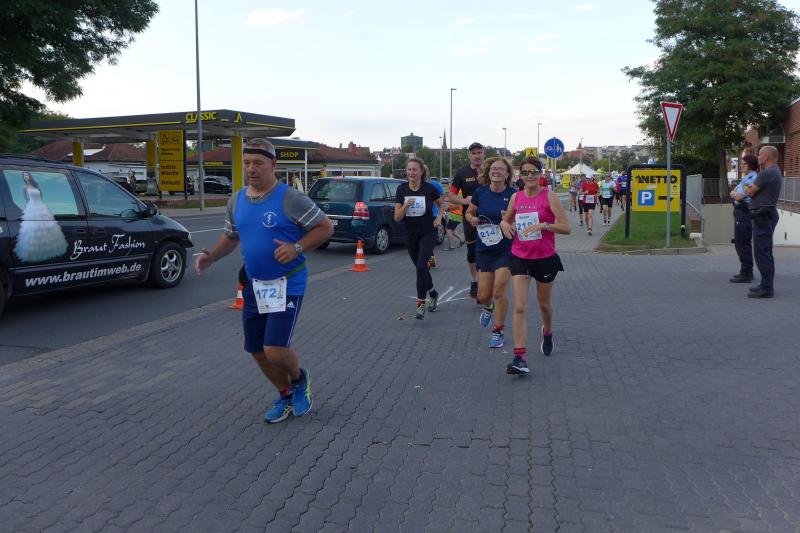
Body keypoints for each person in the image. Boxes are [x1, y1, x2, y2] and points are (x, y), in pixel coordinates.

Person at [195, 138, 334, 424]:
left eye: (258, 163)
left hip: (288, 283)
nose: (251, 169)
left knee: (274, 348)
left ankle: (299, 379)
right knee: (257, 350)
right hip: (255, 286)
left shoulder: (290, 198)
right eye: (246, 163)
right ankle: (285, 395)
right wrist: (212, 257)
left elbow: (325, 227)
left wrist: (297, 247)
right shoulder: (236, 200)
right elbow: (231, 237)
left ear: (273, 165)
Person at [500, 157, 571, 375]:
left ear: (540, 174)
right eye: (525, 172)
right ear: (520, 176)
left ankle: (547, 331)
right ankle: (519, 357)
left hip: (544, 257)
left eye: (534, 172)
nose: (529, 176)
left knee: (544, 304)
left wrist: (545, 225)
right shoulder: (516, 197)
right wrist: (503, 224)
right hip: (520, 256)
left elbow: (566, 228)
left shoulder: (549, 196)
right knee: (520, 306)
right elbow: (506, 220)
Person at [465, 157, 515, 348]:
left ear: (507, 174)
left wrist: (509, 221)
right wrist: (471, 219)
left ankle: (498, 330)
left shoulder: (514, 195)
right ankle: (488, 306)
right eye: (494, 168)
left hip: (506, 248)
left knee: (499, 290)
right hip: (485, 248)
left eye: (501, 169)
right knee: (484, 296)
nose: (496, 171)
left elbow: (520, 217)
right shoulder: (481, 193)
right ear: (488, 172)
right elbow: (469, 212)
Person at [395, 157, 444, 319]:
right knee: (421, 269)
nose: (411, 173)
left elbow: (441, 204)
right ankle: (433, 293)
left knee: (422, 267)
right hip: (411, 235)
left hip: (428, 232)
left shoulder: (429, 188)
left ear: (421, 172)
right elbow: (397, 217)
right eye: (409, 170)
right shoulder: (402, 190)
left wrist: (439, 218)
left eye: (415, 170)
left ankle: (420, 304)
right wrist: (405, 205)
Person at [744, 145, 783, 298]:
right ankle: (765, 284)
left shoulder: (766, 173)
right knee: (766, 251)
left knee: (762, 252)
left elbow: (750, 191)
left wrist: (747, 188)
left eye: (760, 154)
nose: (757, 157)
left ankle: (767, 288)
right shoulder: (775, 171)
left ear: (766, 157)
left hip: (763, 216)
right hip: (767, 214)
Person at [451, 142, 485, 298]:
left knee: (489, 249)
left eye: (479, 152)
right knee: (472, 252)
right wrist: (465, 201)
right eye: (473, 153)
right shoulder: (462, 173)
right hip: (469, 217)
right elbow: (451, 195)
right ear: (469, 155)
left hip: (489, 217)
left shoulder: (491, 170)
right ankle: (474, 281)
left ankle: (487, 280)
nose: (477, 155)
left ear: (484, 154)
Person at [13, 171, 69, 263]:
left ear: (29, 176)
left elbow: (41, 197)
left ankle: (49, 252)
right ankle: (36, 254)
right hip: (32, 208)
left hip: (41, 207)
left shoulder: (36, 186)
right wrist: (28, 210)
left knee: (47, 230)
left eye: (27, 175)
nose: (26, 176)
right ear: (23, 178)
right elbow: (26, 199)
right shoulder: (24, 188)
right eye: (24, 175)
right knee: (35, 231)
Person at [728, 154, 759, 283]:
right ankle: (745, 271)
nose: (741, 166)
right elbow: (733, 191)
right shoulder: (746, 178)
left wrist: (734, 194)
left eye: (744, 164)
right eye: (741, 164)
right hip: (740, 212)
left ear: (751, 164)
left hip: (744, 212)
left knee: (742, 243)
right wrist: (734, 193)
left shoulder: (752, 178)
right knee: (739, 243)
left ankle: (746, 273)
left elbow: (739, 196)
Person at [428, 171, 445, 268]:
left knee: (429, 238)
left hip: (433, 214)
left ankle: (430, 259)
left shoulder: (434, 184)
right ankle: (431, 258)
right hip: (421, 216)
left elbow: (443, 194)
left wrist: (436, 201)